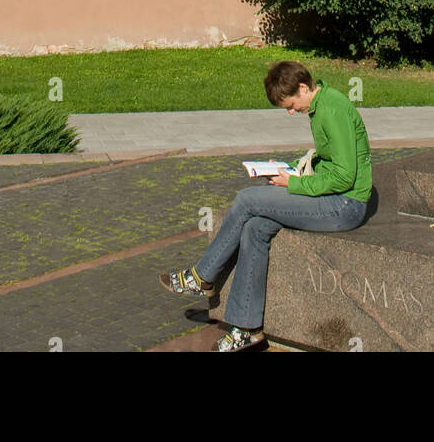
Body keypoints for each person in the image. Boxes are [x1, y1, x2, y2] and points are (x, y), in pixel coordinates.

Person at [159, 60, 372, 352]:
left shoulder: (332, 110)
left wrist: (293, 184)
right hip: (332, 197)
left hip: (344, 206)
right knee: (256, 227)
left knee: (247, 199)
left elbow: (345, 176)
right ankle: (246, 330)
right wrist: (290, 168)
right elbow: (327, 159)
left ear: (303, 87)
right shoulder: (320, 104)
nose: (289, 111)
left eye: (290, 104)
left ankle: (201, 277)